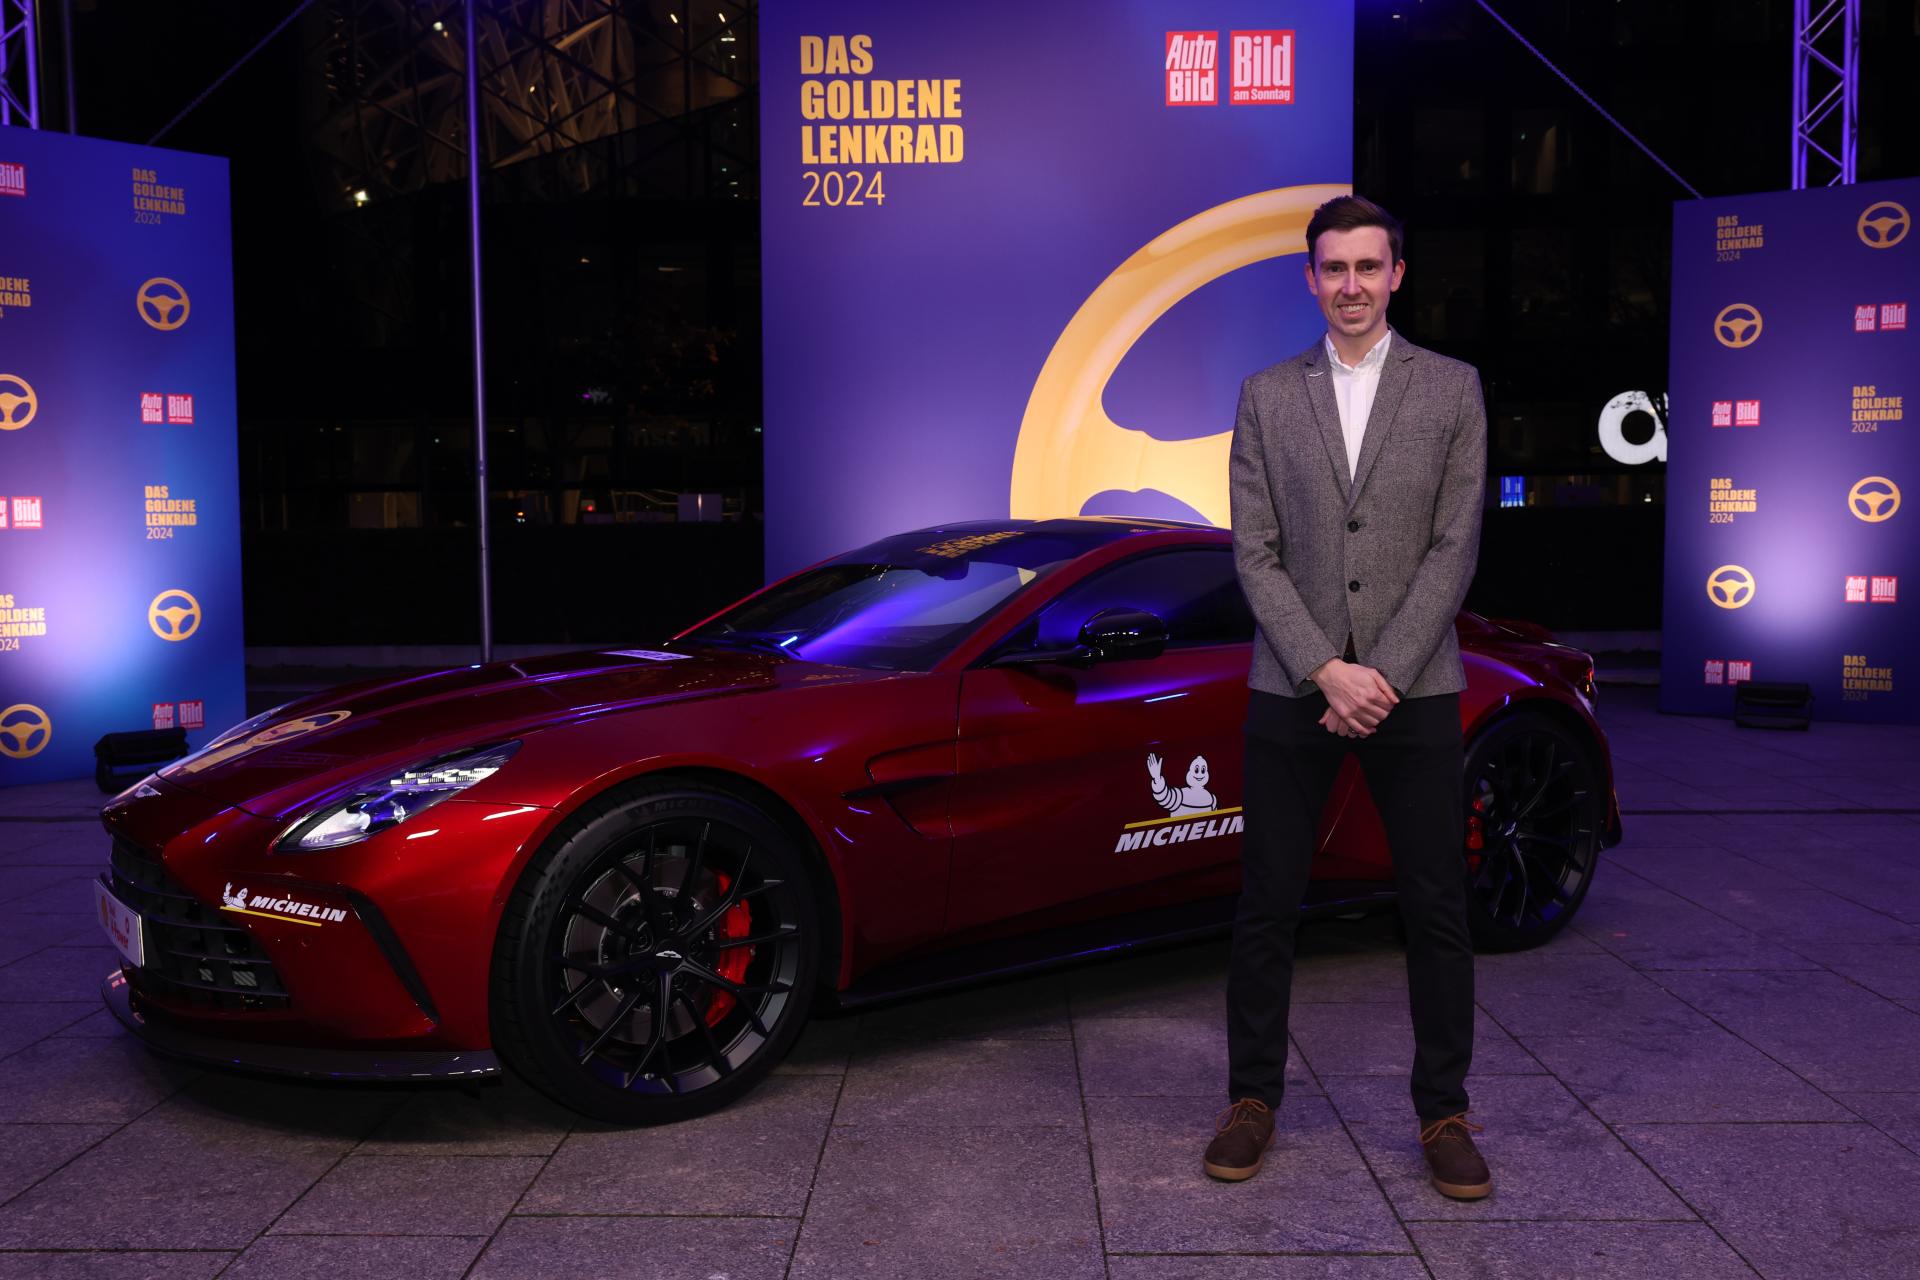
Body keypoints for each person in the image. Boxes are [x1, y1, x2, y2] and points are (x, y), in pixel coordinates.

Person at [1204, 194, 1490, 1200]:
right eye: (1334, 268)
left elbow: (1455, 548)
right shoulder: (1265, 395)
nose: (1353, 285)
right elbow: (1254, 550)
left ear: (1398, 273)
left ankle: (1444, 1109)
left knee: (1437, 905)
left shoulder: (1454, 389)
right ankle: (1251, 1099)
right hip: (1294, 680)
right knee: (1265, 904)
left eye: (1370, 266)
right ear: (1311, 278)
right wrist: (1328, 667)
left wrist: (1384, 674)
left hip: (1414, 683)